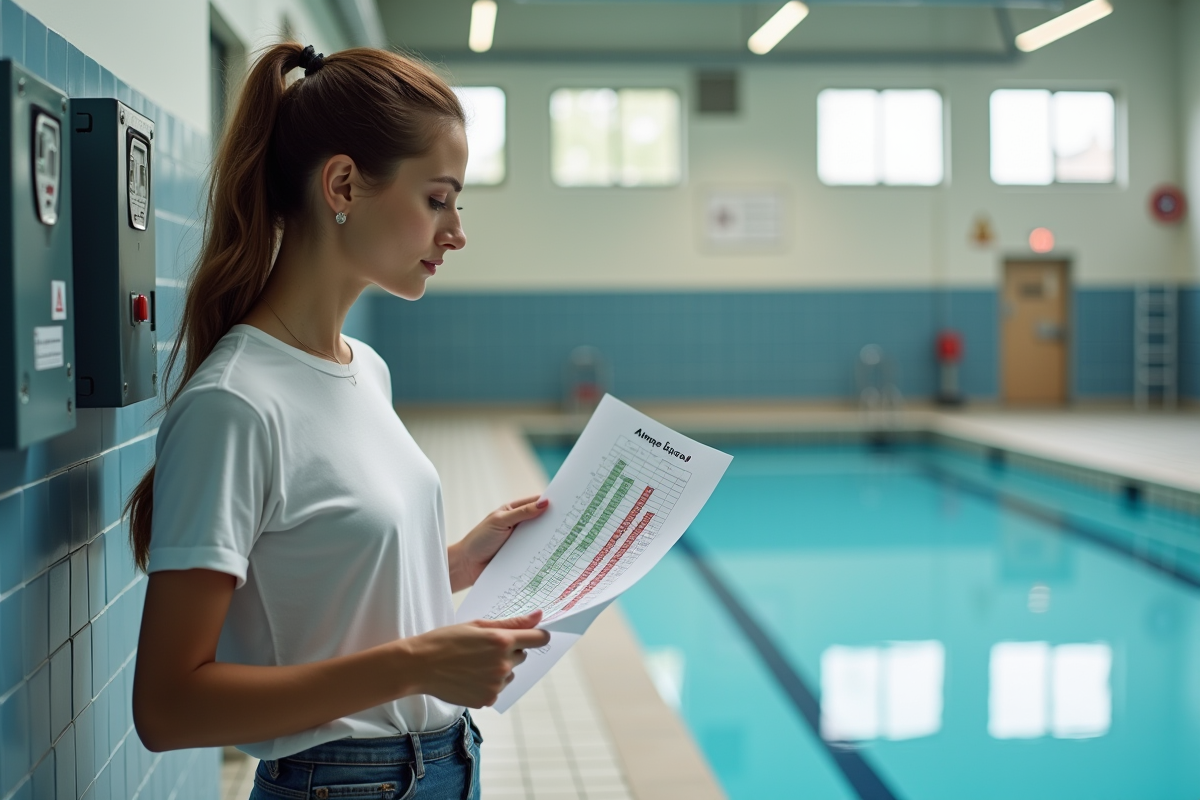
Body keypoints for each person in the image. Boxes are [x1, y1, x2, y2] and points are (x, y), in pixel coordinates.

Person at [127, 43, 551, 800]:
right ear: (344, 184)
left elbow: (323, 583)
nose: (456, 231)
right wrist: (418, 663)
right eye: (437, 199)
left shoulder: (364, 369)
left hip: (448, 765)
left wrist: (453, 561)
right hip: (342, 785)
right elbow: (167, 708)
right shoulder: (236, 403)